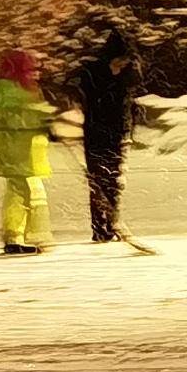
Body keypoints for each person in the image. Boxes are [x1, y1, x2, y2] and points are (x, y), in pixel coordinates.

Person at [71, 27, 138, 245]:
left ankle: (112, 222)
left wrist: (122, 74)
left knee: (114, 180)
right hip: (97, 133)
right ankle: (100, 226)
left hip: (116, 133)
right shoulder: (94, 74)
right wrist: (110, 79)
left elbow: (131, 91)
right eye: (120, 61)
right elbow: (90, 98)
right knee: (98, 180)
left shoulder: (124, 77)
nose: (123, 66)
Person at [0, 47, 50, 252]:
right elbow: (10, 118)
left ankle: (24, 234)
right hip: (15, 149)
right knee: (19, 192)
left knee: (26, 191)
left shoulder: (25, 87)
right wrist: (37, 118)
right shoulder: (7, 89)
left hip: (27, 149)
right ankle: (15, 237)